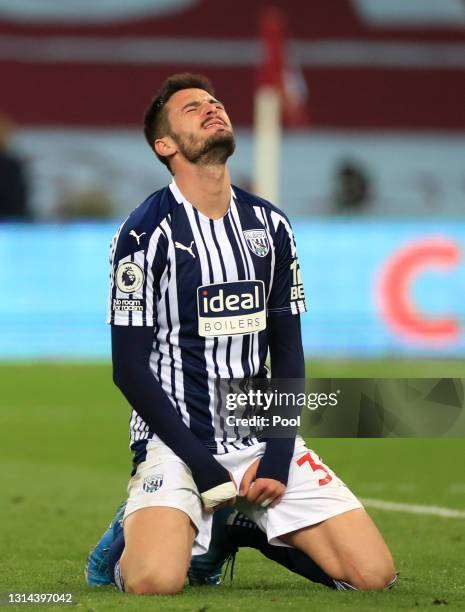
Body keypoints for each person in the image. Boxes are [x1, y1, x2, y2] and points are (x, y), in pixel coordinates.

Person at [86, 73, 396, 595]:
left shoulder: (270, 226)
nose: (212, 109)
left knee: (374, 576)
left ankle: (241, 526)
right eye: (191, 109)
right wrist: (205, 466)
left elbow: (288, 349)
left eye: (214, 102)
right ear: (164, 145)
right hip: (176, 441)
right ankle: (120, 544)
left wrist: (277, 455)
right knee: (155, 582)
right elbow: (129, 368)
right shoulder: (143, 235)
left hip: (257, 430)